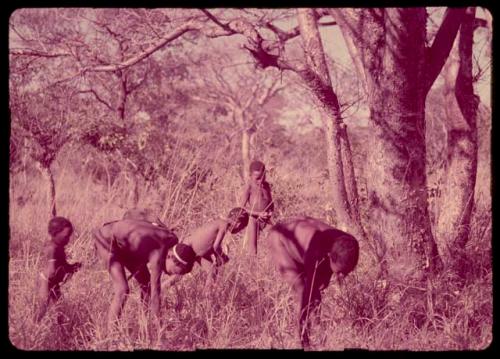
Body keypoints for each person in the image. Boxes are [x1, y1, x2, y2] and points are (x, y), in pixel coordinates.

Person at [267, 216, 359, 348]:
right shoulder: (315, 253)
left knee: (317, 289)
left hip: (305, 240)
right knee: (302, 290)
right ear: (328, 256)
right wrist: (304, 337)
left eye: (347, 271)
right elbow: (307, 296)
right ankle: (302, 339)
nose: (342, 276)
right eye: (339, 272)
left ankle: (317, 332)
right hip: (280, 239)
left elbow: (325, 278)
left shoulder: (351, 244)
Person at [92, 218, 178, 329]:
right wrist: (159, 327)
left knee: (146, 285)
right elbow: (156, 290)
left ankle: (144, 324)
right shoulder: (160, 251)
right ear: (171, 257)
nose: (171, 275)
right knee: (122, 289)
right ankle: (111, 334)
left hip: (125, 245)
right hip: (106, 239)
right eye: (174, 271)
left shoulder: (170, 239)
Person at [164, 207, 249, 281]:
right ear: (238, 224)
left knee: (212, 271)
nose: (239, 230)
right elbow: (216, 246)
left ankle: (207, 297)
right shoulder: (224, 225)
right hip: (188, 249)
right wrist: (222, 256)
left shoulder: (219, 222)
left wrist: (217, 258)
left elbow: (208, 244)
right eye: (242, 228)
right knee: (178, 275)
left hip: (195, 251)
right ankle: (159, 289)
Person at [35, 216, 82, 322]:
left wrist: (72, 267)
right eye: (66, 237)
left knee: (59, 310)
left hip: (53, 283)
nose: (68, 240)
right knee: (42, 308)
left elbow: (63, 265)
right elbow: (52, 271)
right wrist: (64, 274)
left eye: (69, 237)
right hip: (46, 282)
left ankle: (62, 332)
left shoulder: (59, 248)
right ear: (55, 234)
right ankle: (33, 327)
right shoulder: (52, 249)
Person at [240, 160, 274, 255]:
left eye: (263, 177)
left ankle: (272, 264)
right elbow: (241, 207)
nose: (261, 180)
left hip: (266, 219)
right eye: (257, 178)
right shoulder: (249, 187)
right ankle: (252, 266)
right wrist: (258, 214)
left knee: (274, 241)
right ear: (250, 176)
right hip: (253, 219)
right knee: (252, 249)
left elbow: (271, 201)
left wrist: (271, 211)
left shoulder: (266, 186)